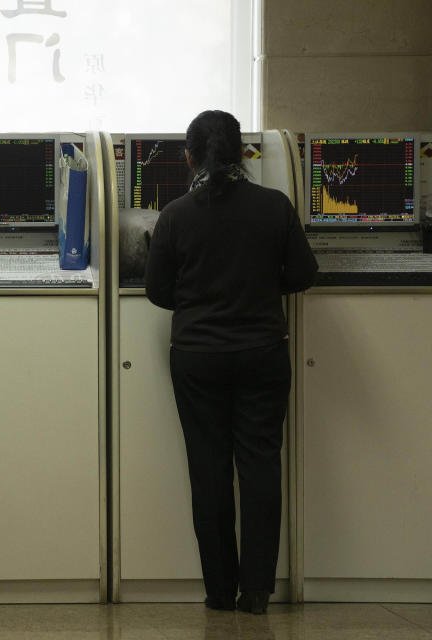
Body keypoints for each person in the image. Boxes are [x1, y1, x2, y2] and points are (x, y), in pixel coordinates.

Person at [144, 110, 318, 614]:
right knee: (260, 465)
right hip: (262, 353)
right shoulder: (274, 206)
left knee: (209, 469)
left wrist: (200, 299)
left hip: (198, 358)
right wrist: (262, 288)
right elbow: (303, 274)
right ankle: (258, 590)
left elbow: (158, 292)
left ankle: (220, 590)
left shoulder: (176, 214)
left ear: (190, 157)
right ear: (244, 152)